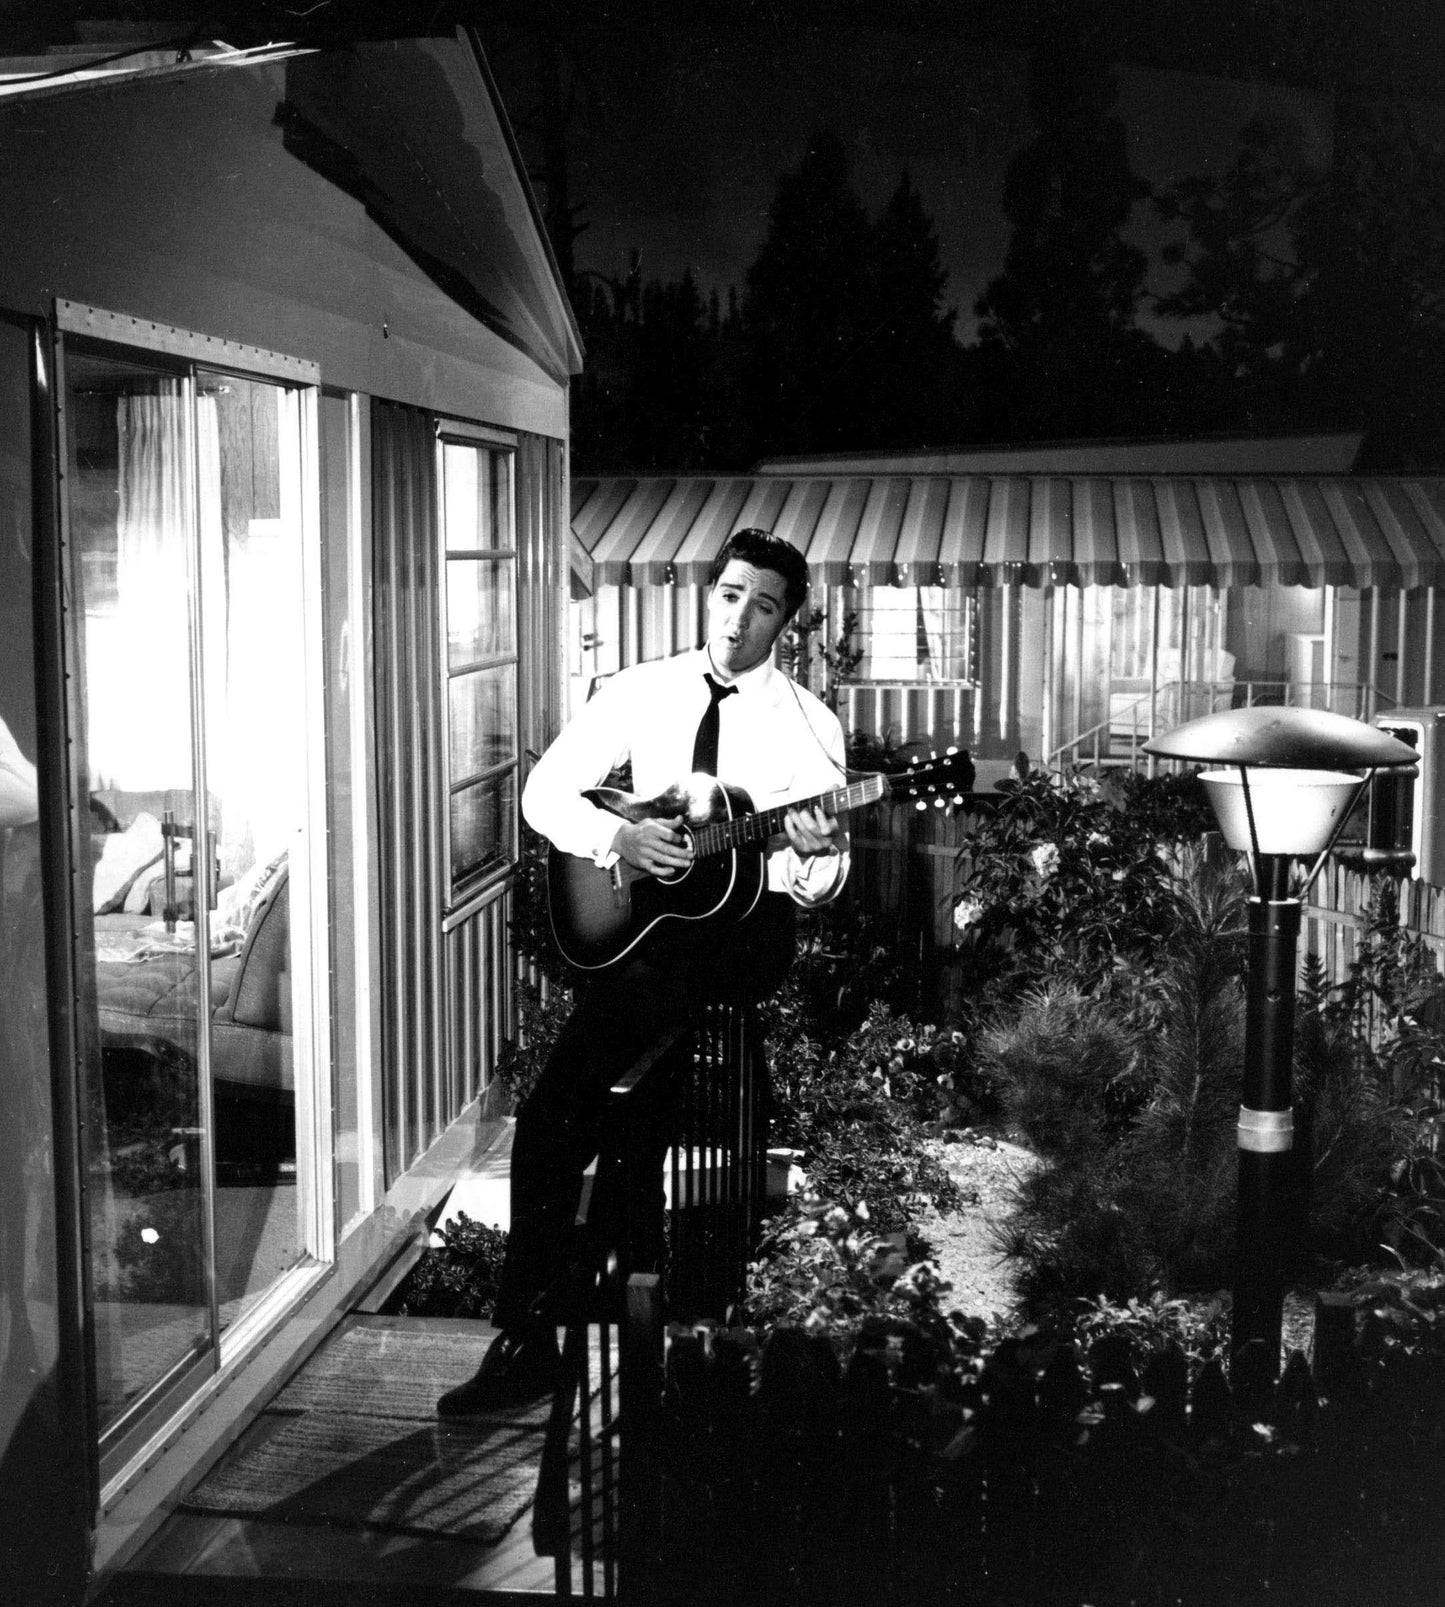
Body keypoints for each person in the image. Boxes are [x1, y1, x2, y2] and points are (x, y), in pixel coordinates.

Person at [439, 528, 849, 1414]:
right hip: (651, 937)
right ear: (713, 594)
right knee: (560, 1120)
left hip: (743, 939)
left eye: (765, 604)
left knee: (628, 1084)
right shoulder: (638, 691)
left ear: (789, 621)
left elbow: (817, 883)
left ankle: (655, 1332)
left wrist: (816, 853)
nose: (742, 616)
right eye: (732, 593)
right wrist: (617, 836)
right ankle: (532, 1338)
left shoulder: (811, 727)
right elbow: (541, 794)